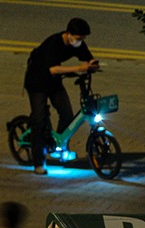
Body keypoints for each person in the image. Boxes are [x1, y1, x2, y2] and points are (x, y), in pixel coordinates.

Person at [25, 18, 98, 175]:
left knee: (67, 115)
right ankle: (39, 163)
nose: (81, 41)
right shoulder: (54, 43)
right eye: (79, 38)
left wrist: (92, 63)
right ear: (69, 34)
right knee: (39, 121)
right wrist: (78, 68)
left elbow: (87, 56)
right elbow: (53, 69)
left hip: (53, 83)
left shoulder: (76, 43)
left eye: (83, 39)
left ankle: (59, 147)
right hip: (37, 81)